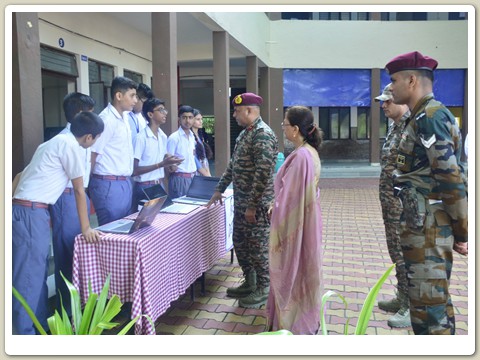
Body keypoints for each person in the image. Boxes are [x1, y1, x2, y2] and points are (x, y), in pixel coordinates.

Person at [386, 51, 468, 335]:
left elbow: (451, 178)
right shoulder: (419, 117)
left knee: (429, 312)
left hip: (430, 229)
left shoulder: (430, 117)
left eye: (394, 80)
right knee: (428, 305)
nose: (391, 87)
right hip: (421, 225)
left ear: (411, 80)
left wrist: (462, 232)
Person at [12, 111, 104, 335]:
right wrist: (86, 228)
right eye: (96, 139)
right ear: (89, 137)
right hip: (31, 212)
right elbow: (79, 191)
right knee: (28, 279)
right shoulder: (71, 146)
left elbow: (18, 176)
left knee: (37, 274)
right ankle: (24, 336)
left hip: (27, 210)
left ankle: (40, 327)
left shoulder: (51, 143)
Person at [207, 92, 278, 309]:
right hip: (242, 203)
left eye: (237, 111)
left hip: (255, 206)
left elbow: (263, 173)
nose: (234, 115)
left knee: (258, 248)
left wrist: (252, 206)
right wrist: (219, 188)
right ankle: (251, 281)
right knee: (240, 242)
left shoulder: (263, 135)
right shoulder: (246, 133)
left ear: (249, 110)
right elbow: (233, 165)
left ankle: (265, 289)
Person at [266, 106, 323, 334]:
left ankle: (292, 324)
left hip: (296, 223)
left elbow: (290, 200)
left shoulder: (300, 156)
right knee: (305, 269)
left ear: (296, 129)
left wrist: (273, 209)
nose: (283, 129)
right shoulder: (309, 151)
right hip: (308, 220)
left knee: (293, 271)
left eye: (285, 125)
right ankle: (303, 319)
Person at [49, 92, 96, 315]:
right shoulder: (65, 140)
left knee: (79, 250)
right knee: (67, 251)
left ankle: (79, 305)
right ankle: (65, 312)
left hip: (78, 195)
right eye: (90, 114)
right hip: (67, 196)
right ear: (79, 115)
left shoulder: (80, 138)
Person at [374, 83, 412, 328]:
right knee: (396, 253)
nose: (383, 105)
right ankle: (402, 296)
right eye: (382, 101)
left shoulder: (414, 129)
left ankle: (413, 306)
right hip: (390, 206)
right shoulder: (394, 128)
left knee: (408, 254)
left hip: (406, 208)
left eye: (388, 100)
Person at [89, 76, 138, 225]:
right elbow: (93, 154)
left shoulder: (124, 118)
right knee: (111, 231)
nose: (135, 100)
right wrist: (85, 185)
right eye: (132, 96)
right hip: (108, 184)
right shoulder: (106, 120)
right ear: (118, 96)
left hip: (124, 182)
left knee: (124, 230)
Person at [131, 98, 183, 210]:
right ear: (150, 114)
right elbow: (134, 170)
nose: (165, 113)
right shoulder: (141, 138)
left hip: (159, 185)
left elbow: (163, 155)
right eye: (160, 110)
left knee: (164, 218)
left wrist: (171, 162)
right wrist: (161, 164)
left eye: (165, 110)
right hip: (144, 186)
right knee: (145, 223)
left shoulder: (163, 136)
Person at [166, 105, 197, 199]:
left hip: (193, 178)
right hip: (179, 179)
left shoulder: (192, 137)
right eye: (184, 117)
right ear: (179, 119)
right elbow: (168, 162)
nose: (187, 121)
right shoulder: (174, 138)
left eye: (190, 117)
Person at [192, 108, 212, 177]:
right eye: (198, 119)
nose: (201, 121)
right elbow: (194, 159)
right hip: (196, 172)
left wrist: (208, 172)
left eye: (201, 119)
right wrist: (206, 174)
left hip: (204, 169)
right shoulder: (190, 138)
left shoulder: (200, 137)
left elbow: (204, 158)